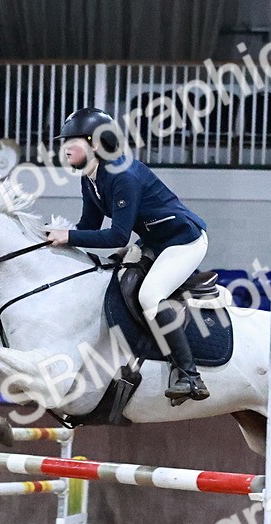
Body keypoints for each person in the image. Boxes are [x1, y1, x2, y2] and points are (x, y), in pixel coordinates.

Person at [47, 107, 211, 403]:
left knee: (150, 296)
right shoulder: (90, 177)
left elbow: (117, 236)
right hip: (154, 239)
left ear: (96, 144)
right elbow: (88, 227)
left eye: (73, 141)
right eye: (63, 142)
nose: (65, 148)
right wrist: (52, 236)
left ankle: (189, 376)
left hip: (184, 241)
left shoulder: (123, 176)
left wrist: (68, 236)